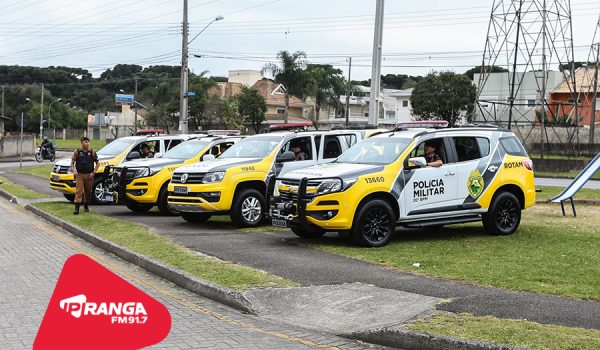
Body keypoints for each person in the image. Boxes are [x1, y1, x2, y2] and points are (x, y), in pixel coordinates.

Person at [70, 137, 99, 215]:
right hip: (80, 175)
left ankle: (86, 205)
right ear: (82, 143)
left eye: (88, 142)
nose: (87, 143)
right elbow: (72, 163)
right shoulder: (77, 152)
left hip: (89, 175)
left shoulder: (92, 152)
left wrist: (94, 172)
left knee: (88, 191)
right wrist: (74, 171)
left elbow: (98, 163)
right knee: (79, 191)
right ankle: (77, 208)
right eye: (85, 142)